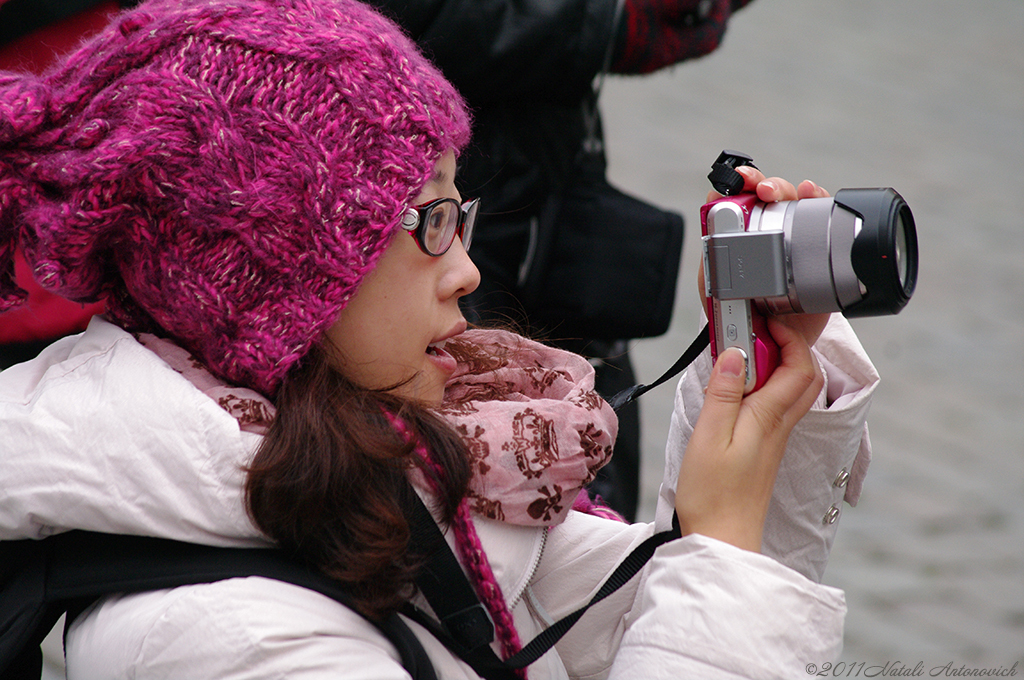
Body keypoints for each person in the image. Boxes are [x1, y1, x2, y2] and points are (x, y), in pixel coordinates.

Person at [0, 0, 878, 677]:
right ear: (290, 278)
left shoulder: (405, 463)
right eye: (427, 223)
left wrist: (773, 416)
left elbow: (669, 622)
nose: (466, 272)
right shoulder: (222, 639)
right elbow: (712, 607)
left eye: (461, 215)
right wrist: (718, 541)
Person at [366, 0, 758, 522]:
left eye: (456, 215)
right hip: (485, 259)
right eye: (439, 214)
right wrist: (606, 18)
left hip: (554, 226)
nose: (465, 270)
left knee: (586, 508)